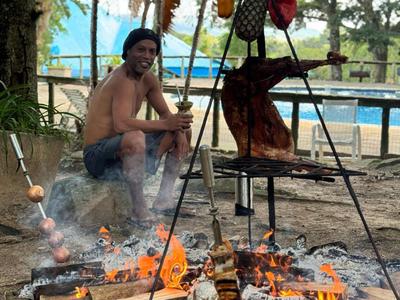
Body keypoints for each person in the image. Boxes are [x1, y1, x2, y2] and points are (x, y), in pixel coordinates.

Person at [83, 28, 193, 227]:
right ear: (128, 51)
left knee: (183, 128)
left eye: (152, 51)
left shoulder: (148, 79)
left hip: (121, 152)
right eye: (141, 50)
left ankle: (163, 200)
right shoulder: (121, 80)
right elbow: (122, 124)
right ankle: (138, 210)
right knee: (135, 137)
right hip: (97, 157)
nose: (147, 56)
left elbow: (167, 115)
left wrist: (179, 131)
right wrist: (168, 124)